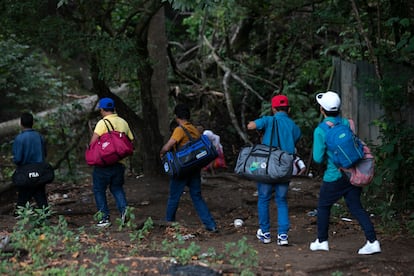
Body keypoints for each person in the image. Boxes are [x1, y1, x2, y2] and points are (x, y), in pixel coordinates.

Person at [310, 91, 381, 254]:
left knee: (323, 206)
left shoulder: (320, 130)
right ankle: (372, 241)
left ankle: (322, 241)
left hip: (334, 175)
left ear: (322, 110)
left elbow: (318, 158)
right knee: (356, 207)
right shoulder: (348, 123)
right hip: (353, 173)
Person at [247, 95, 301, 245]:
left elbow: (250, 126)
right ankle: (282, 235)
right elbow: (296, 138)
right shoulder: (293, 125)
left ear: (273, 108)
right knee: (281, 200)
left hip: (267, 164)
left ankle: (265, 233)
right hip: (285, 165)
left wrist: (259, 126)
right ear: (288, 109)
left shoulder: (269, 120)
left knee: (264, 198)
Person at [160, 104, 218, 233]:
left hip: (182, 169)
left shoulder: (180, 130)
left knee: (174, 196)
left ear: (176, 117)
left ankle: (169, 223)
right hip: (194, 168)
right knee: (197, 196)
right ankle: (210, 224)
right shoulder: (194, 129)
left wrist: (162, 152)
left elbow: (170, 145)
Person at [89, 98, 134, 227]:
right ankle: (124, 212)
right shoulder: (123, 122)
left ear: (102, 109)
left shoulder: (102, 123)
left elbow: (93, 142)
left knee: (99, 190)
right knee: (117, 188)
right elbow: (130, 140)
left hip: (103, 164)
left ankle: (104, 218)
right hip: (119, 163)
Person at [12, 112, 49, 210]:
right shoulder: (39, 136)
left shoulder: (19, 138)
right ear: (32, 123)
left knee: (23, 197)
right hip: (39, 171)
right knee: (41, 197)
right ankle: (45, 216)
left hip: (25, 172)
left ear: (21, 124)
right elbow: (44, 154)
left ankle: (20, 217)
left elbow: (18, 159)